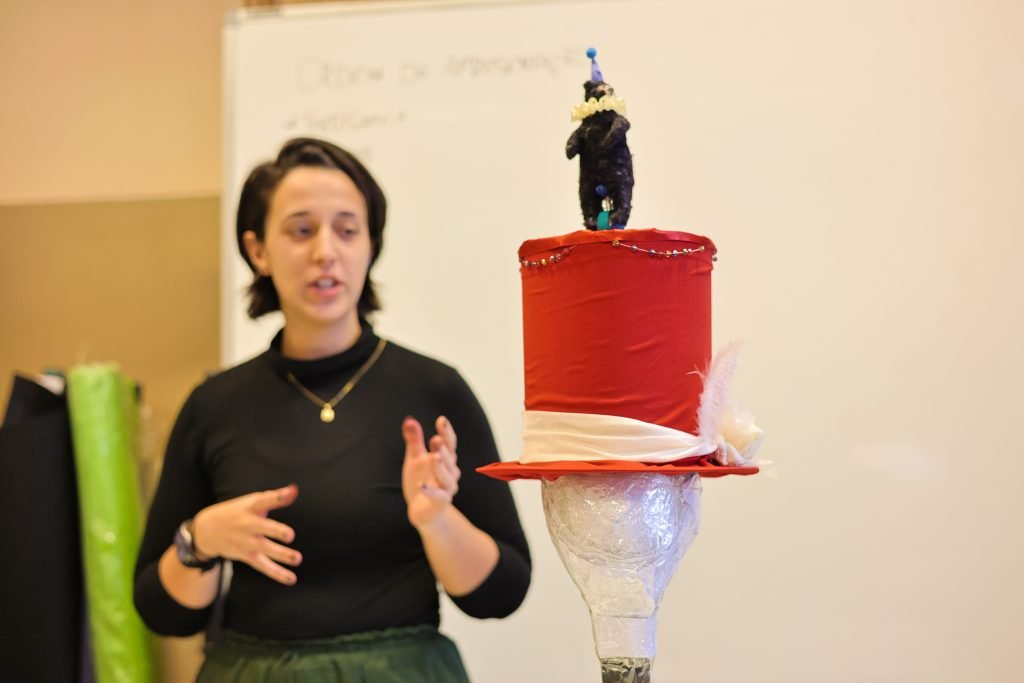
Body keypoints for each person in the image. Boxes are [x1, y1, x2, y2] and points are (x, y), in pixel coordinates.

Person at [134, 137, 531, 682]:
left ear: (371, 246)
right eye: (301, 231)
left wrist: (437, 519)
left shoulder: (434, 389)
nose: (326, 251)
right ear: (258, 250)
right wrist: (199, 540)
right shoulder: (214, 405)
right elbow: (164, 613)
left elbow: (501, 593)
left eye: (347, 230)